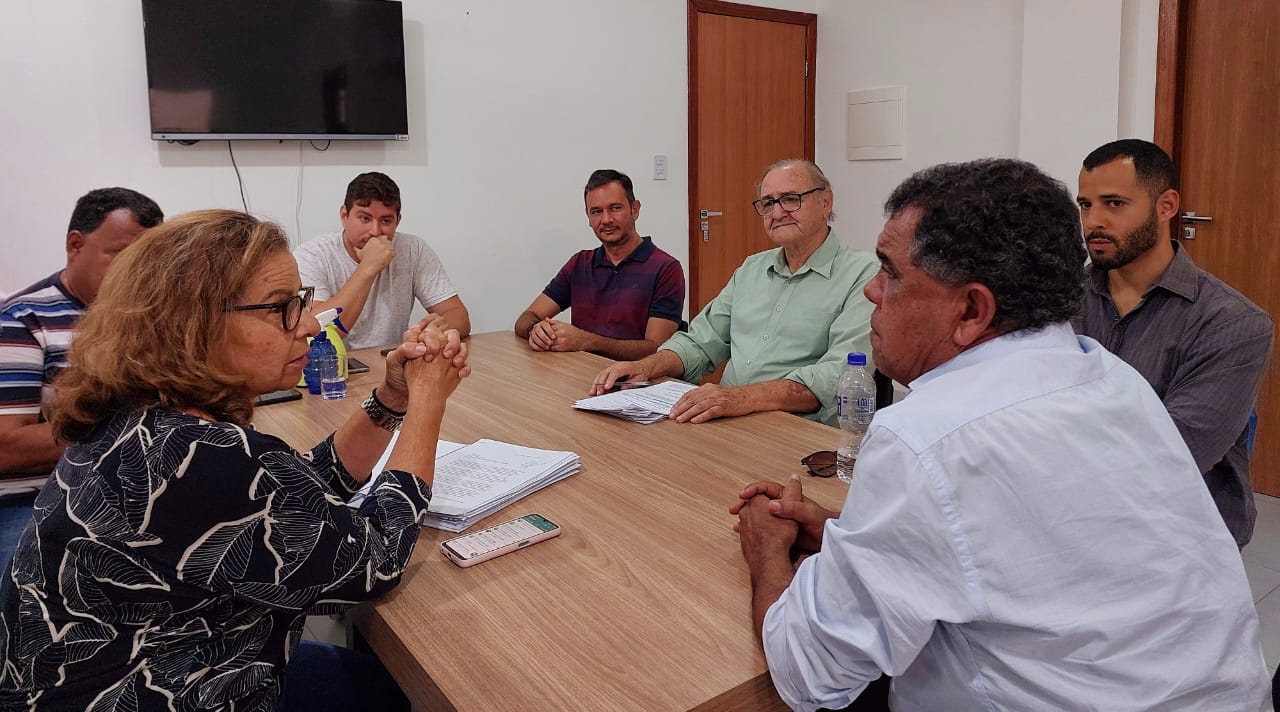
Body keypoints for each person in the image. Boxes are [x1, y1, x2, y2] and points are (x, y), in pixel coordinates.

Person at [732, 159, 1268, 710]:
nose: (871, 290)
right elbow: (1017, 539)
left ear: (971, 310)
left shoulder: (925, 437)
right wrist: (851, 536)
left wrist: (766, 550)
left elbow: (810, 674)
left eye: (889, 272)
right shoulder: (1108, 375)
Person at [0, 210, 470, 711]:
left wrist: (392, 399)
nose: (308, 324)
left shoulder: (143, 421)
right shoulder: (194, 459)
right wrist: (427, 400)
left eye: (300, 301)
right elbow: (376, 560)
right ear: (193, 325)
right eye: (280, 307)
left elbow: (294, 493)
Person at [1075, 139, 1273, 548]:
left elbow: (1175, 453)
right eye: (1085, 205)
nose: (1093, 221)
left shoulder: (1233, 323)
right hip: (1068, 513)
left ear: (1166, 206)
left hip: (1179, 534)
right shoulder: (1060, 300)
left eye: (1114, 204)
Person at [591, 159, 876, 425]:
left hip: (796, 432)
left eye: (791, 199)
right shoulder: (752, 269)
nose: (777, 213)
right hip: (727, 420)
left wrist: (741, 398)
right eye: (768, 203)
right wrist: (646, 367)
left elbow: (839, 376)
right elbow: (701, 341)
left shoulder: (864, 274)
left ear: (826, 202)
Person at [0, 187, 163, 562]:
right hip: (35, 501)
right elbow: (6, 448)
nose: (136, 272)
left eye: (147, 258)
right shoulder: (22, 321)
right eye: (122, 255)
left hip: (133, 491)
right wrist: (129, 430)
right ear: (76, 245)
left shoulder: (148, 316)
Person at [514, 169, 685, 360]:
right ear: (588, 218)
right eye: (596, 211)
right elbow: (526, 318)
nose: (606, 219)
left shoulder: (666, 269)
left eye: (615, 208)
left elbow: (657, 350)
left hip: (635, 376)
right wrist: (535, 330)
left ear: (635, 209)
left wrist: (587, 341)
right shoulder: (579, 264)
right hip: (581, 371)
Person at [294, 171, 471, 349]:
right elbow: (316, 331)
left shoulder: (413, 249)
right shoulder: (311, 256)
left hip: (389, 359)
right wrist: (368, 268)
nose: (375, 231)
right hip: (330, 362)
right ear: (344, 216)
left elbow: (457, 315)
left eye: (386, 221)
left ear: (398, 221)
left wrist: (432, 332)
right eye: (365, 218)